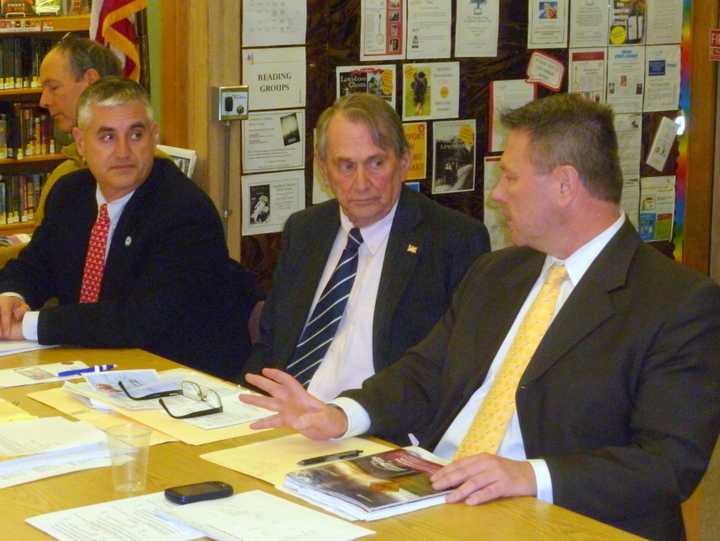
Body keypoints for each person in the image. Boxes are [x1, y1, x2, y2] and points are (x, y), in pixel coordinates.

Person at [239, 93, 720, 541]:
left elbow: (668, 463)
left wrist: (529, 475)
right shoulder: (499, 273)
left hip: (551, 518)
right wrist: (341, 414)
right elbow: (425, 372)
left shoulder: (676, 303)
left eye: (510, 177)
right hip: (430, 494)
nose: (498, 196)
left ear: (565, 185)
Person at [241, 93, 489, 409]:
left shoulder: (452, 240)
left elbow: (453, 371)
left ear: (404, 161)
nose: (361, 184)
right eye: (346, 166)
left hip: (376, 426)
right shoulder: (305, 231)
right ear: (323, 169)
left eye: (376, 163)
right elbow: (272, 343)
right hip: (286, 416)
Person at [0, 77, 258, 379]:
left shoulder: (185, 211)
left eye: (135, 135)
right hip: (91, 365)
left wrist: (28, 325)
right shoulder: (70, 193)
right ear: (81, 143)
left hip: (176, 378)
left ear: (153, 136)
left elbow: (138, 320)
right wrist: (10, 297)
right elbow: (34, 265)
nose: (123, 152)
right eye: (107, 137)